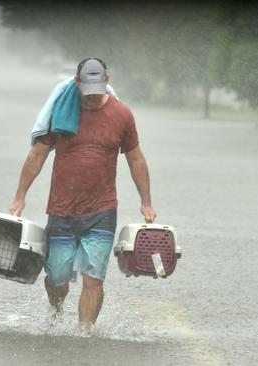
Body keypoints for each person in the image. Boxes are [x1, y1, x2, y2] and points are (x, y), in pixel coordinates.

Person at [9, 57, 156, 330]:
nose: (91, 99)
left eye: (97, 92)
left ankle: (83, 335)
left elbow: (135, 159)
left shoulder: (122, 115)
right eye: (86, 92)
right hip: (62, 209)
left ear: (107, 83)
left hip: (102, 211)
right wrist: (20, 197)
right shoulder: (62, 112)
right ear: (77, 84)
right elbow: (38, 154)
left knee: (93, 278)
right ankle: (57, 308)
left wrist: (146, 202)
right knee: (57, 278)